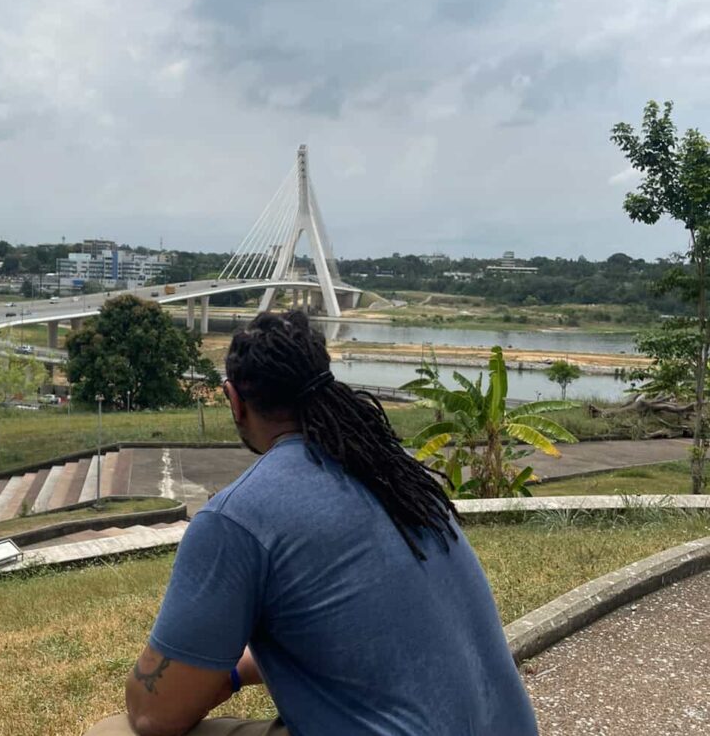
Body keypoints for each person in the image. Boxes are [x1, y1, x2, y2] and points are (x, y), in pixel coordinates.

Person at [87, 311, 537, 736]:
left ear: (234, 400)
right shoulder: (398, 478)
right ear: (325, 384)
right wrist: (235, 671)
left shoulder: (238, 518)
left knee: (113, 733)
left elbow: (154, 713)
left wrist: (212, 676)